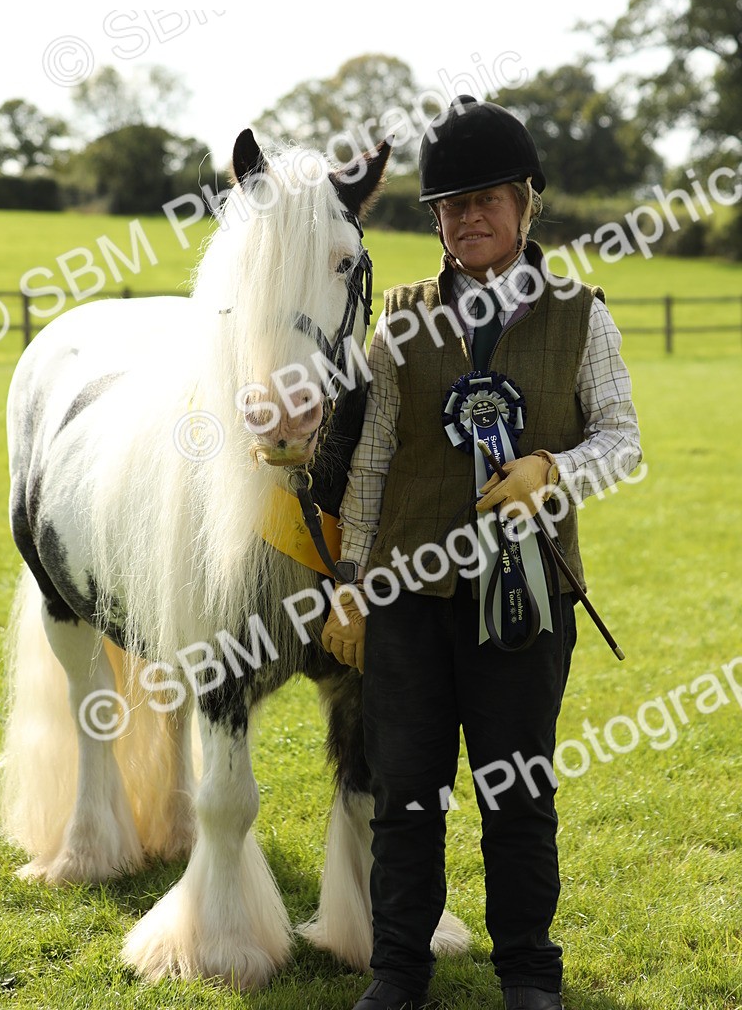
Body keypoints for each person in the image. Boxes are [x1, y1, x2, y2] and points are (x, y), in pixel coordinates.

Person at [322, 95, 642, 1010]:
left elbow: (624, 441)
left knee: (518, 796)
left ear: (526, 203)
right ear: (436, 220)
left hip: (529, 602)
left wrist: (553, 468)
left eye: (485, 200)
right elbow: (372, 460)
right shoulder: (399, 319)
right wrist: (351, 583)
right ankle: (398, 971)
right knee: (405, 798)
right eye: (450, 206)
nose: (467, 218)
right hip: (408, 603)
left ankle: (529, 974)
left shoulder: (582, 316)